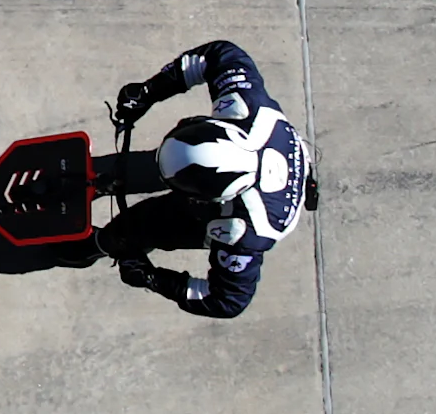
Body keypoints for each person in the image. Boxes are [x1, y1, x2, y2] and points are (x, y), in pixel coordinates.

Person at [104, 39, 310, 319]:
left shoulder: (242, 233)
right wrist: (149, 91)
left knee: (137, 229)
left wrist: (154, 279)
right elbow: (220, 54)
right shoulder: (245, 105)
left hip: (243, 208)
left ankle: (98, 245)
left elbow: (227, 301)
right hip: (266, 158)